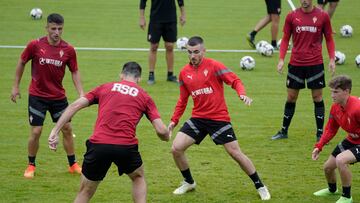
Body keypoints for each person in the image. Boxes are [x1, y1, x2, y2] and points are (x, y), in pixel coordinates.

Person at [48, 62, 170, 203]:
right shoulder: (144, 96)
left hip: (98, 145)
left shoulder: (105, 87)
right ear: (139, 79)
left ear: (121, 75)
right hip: (125, 147)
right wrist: (167, 136)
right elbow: (161, 131)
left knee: (85, 192)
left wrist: (55, 130)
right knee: (138, 177)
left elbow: (75, 105)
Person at [168, 36, 271, 200]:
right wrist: (174, 120)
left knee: (235, 153)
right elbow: (183, 100)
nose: (192, 56)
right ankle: (189, 182)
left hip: (218, 119)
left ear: (203, 51)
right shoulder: (184, 73)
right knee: (176, 148)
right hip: (198, 118)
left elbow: (235, 80)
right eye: (189, 52)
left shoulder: (215, 66)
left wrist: (242, 94)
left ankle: (260, 185)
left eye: (196, 52)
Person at [10, 13, 84, 179]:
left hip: (58, 97)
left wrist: (81, 93)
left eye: (60, 29)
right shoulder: (35, 45)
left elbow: (75, 71)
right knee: (36, 131)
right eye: (53, 28)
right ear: (47, 28)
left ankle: (73, 164)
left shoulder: (68, 50)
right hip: (37, 96)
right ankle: (31, 165)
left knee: (67, 129)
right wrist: (15, 86)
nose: (56, 32)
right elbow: (22, 62)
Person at [271, 0, 336, 141]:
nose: (304, 1)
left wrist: (332, 59)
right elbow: (286, 38)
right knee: (291, 97)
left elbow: (329, 38)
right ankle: (283, 131)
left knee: (317, 97)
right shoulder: (291, 16)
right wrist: (281, 59)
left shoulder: (323, 16)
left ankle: (320, 133)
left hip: (315, 63)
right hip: (296, 64)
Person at [312, 75, 359, 203]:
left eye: (336, 92)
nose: (332, 95)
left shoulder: (357, 108)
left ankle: (347, 197)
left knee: (341, 160)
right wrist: (319, 146)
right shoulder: (335, 107)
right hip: (352, 140)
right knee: (327, 167)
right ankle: (332, 190)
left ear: (346, 91)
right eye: (331, 92)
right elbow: (330, 129)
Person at [139, 0, 186, 85]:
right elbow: (143, 1)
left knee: (170, 46)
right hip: (155, 20)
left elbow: (180, 1)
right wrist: (142, 17)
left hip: (171, 19)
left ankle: (170, 75)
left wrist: (183, 14)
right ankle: (151, 75)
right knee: (154, 46)